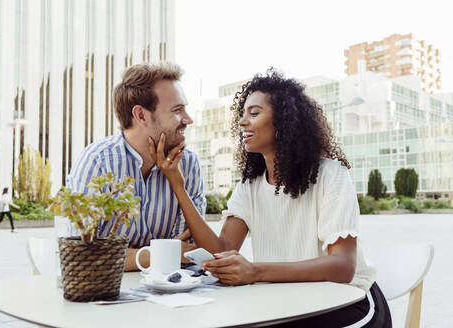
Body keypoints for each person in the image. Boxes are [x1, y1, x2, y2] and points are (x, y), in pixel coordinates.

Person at [149, 69, 392, 327]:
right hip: (290, 305)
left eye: (254, 113)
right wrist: (177, 184)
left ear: (285, 121)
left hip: (350, 303)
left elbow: (342, 267)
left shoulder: (331, 175)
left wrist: (255, 271)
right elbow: (220, 250)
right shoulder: (249, 187)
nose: (243, 122)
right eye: (242, 115)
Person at [66, 62, 206, 271]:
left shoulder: (187, 163)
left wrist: (118, 256)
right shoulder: (97, 163)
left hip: (173, 294)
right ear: (141, 115)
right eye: (177, 110)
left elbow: (190, 251)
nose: (188, 119)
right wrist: (163, 253)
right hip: (106, 294)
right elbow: (82, 254)